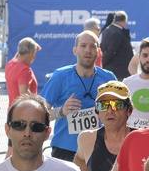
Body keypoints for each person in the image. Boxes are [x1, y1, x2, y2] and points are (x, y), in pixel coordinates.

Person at [40, 31, 115, 163]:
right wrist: (61, 111)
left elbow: (120, 112)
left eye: (93, 46)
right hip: (65, 150)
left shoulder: (108, 78)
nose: (88, 50)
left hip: (99, 148)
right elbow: (39, 115)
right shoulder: (60, 76)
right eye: (83, 45)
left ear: (98, 51)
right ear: (75, 50)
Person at [5, 38, 40, 107]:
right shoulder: (24, 70)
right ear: (30, 53)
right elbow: (24, 94)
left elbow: (20, 52)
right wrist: (39, 102)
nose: (34, 57)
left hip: (12, 110)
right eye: (34, 53)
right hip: (25, 112)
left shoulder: (10, 64)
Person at [100, 11, 133, 79]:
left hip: (111, 69)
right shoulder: (117, 33)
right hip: (118, 71)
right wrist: (102, 63)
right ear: (124, 21)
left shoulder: (106, 30)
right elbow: (111, 52)